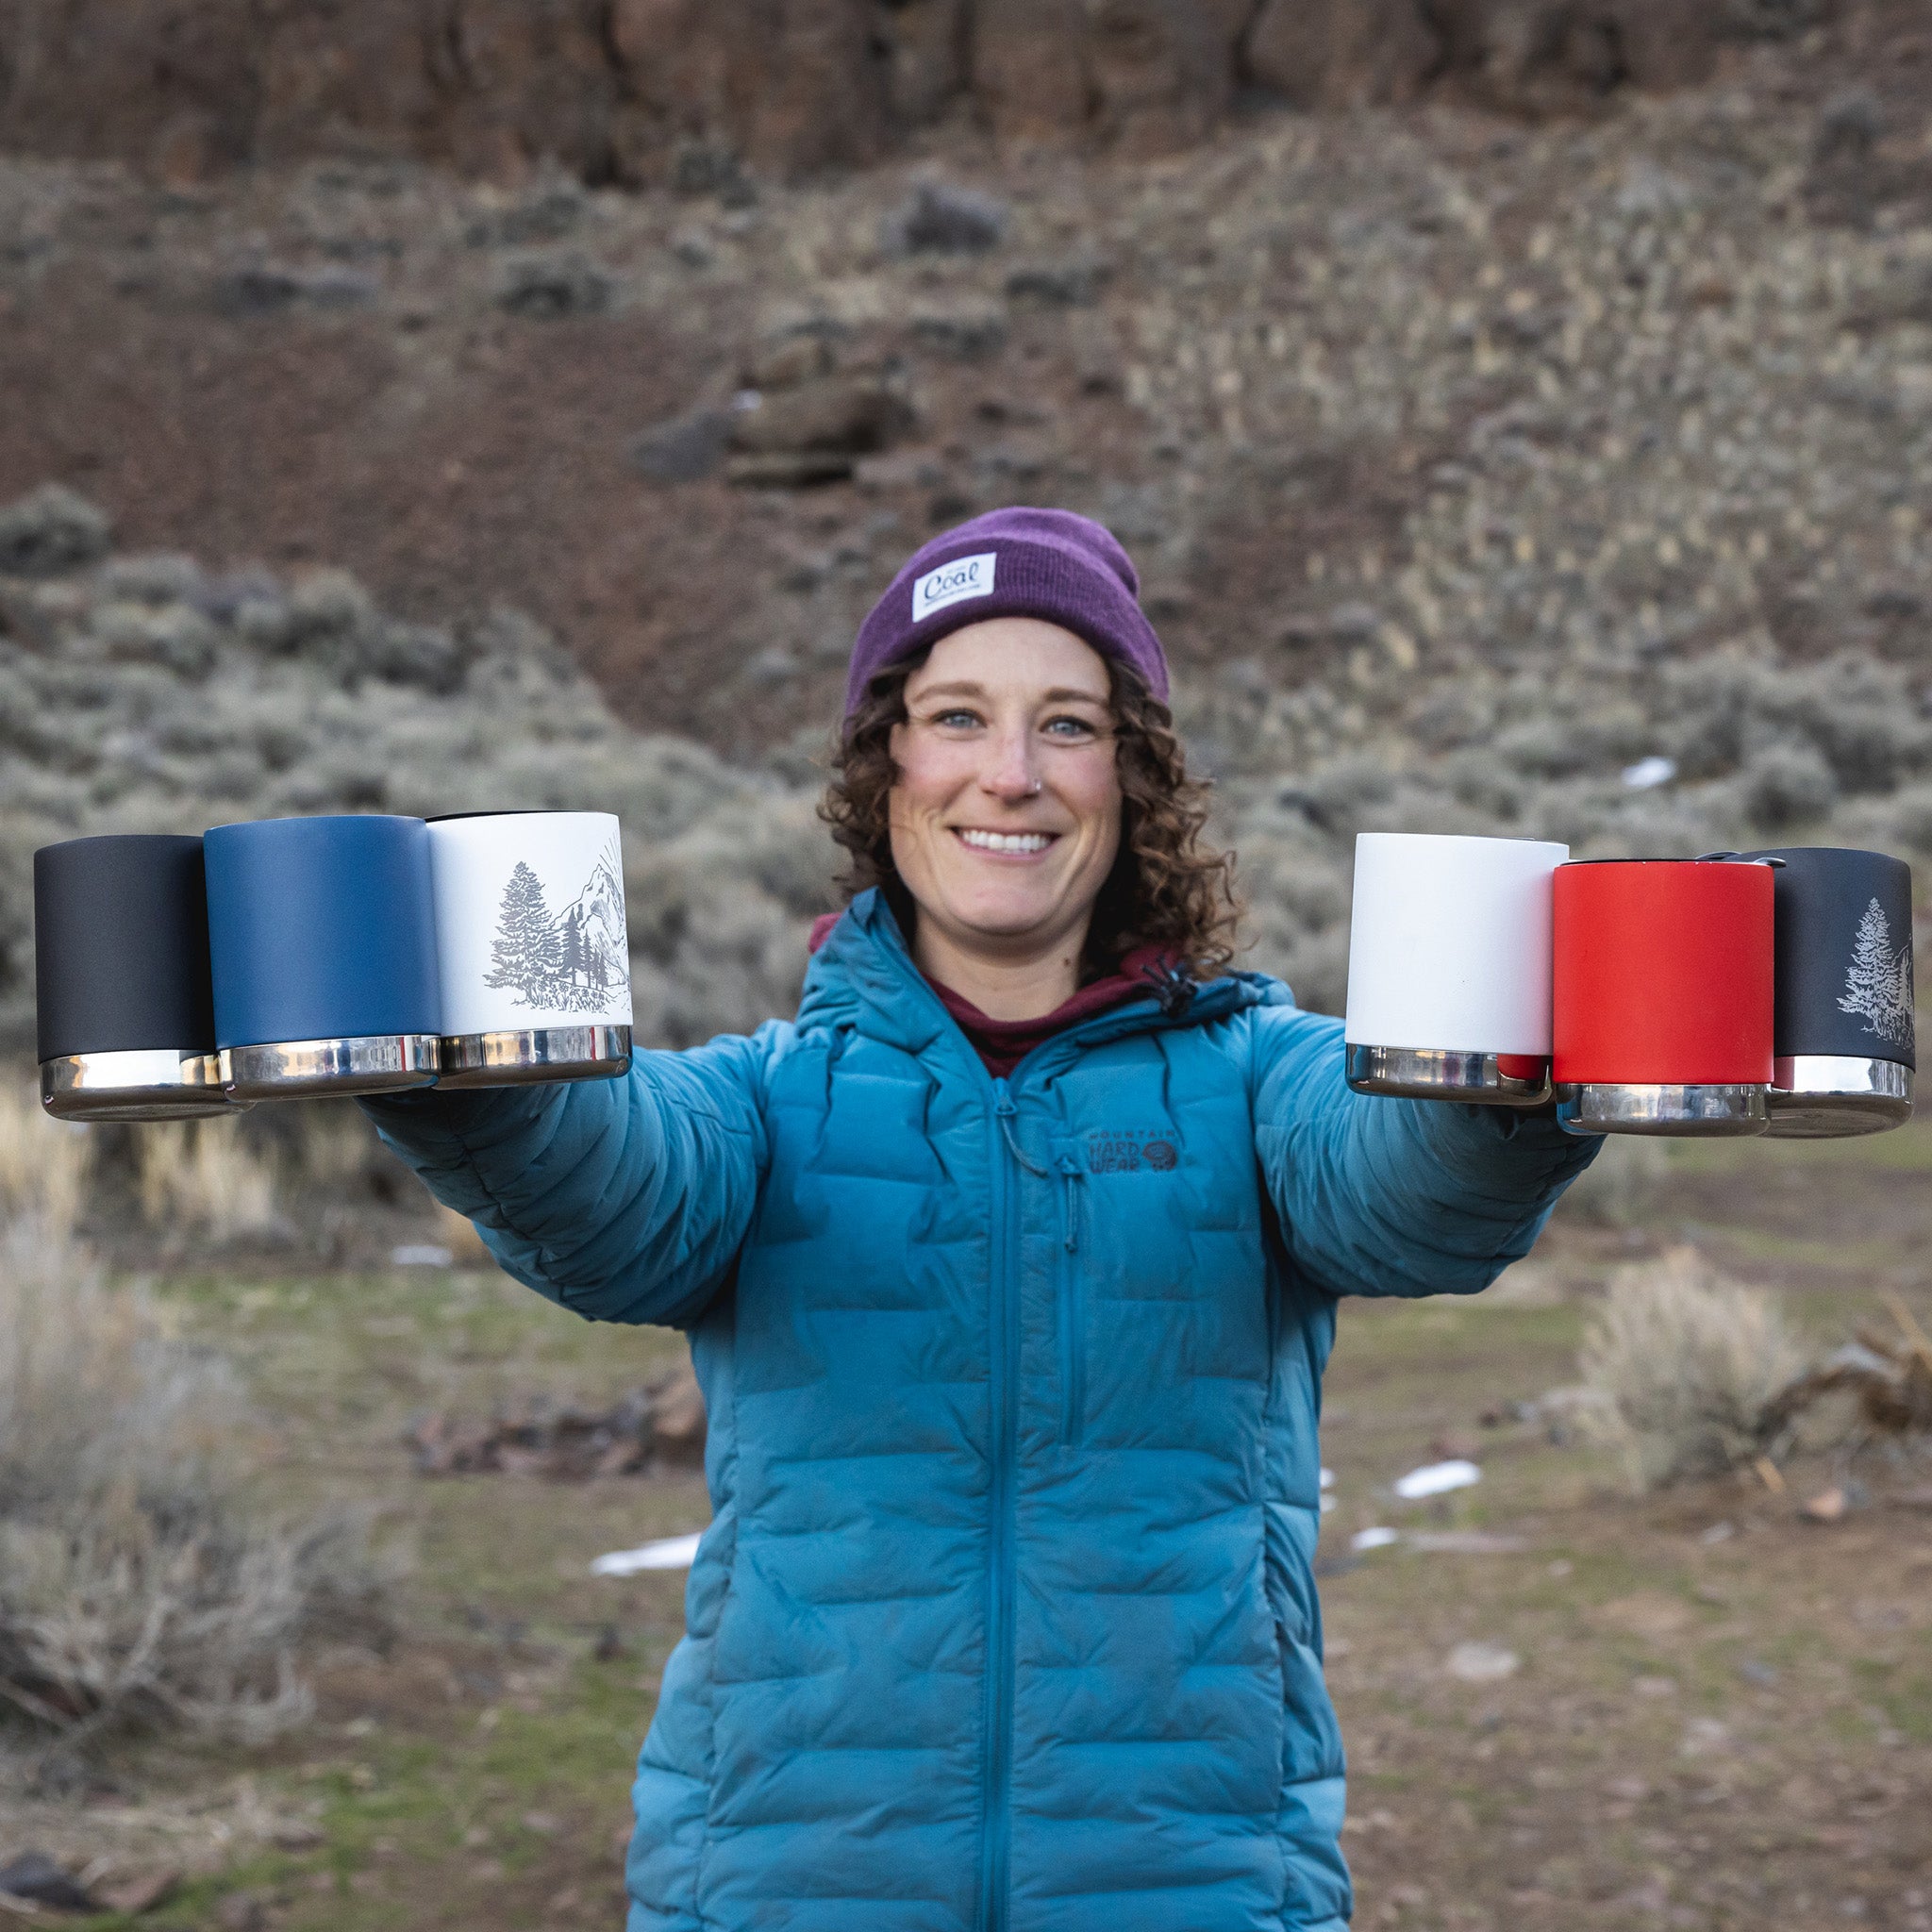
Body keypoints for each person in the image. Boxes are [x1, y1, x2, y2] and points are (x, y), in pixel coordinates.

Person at [364, 508, 1598, 1932]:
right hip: (790, 1883)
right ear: (886, 761)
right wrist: (470, 1086)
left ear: (1132, 776)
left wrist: (1507, 1086)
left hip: (1188, 1885)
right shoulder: (768, 1099)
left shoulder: (1262, 1079)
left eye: (1068, 725)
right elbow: (606, 1197)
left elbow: (1409, 1198)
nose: (1011, 774)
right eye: (958, 716)